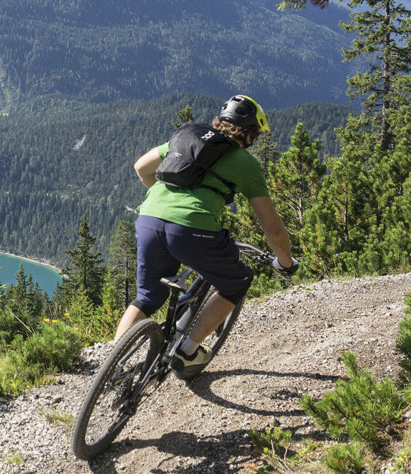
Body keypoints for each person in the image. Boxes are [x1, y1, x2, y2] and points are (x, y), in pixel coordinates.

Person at [112, 96, 298, 376]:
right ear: (249, 133)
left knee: (148, 297)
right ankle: (187, 350)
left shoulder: (188, 137)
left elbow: (141, 168)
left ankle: (112, 365)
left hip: (148, 219)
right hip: (191, 231)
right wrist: (286, 262)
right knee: (237, 280)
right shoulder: (244, 163)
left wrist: (160, 202)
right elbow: (271, 226)